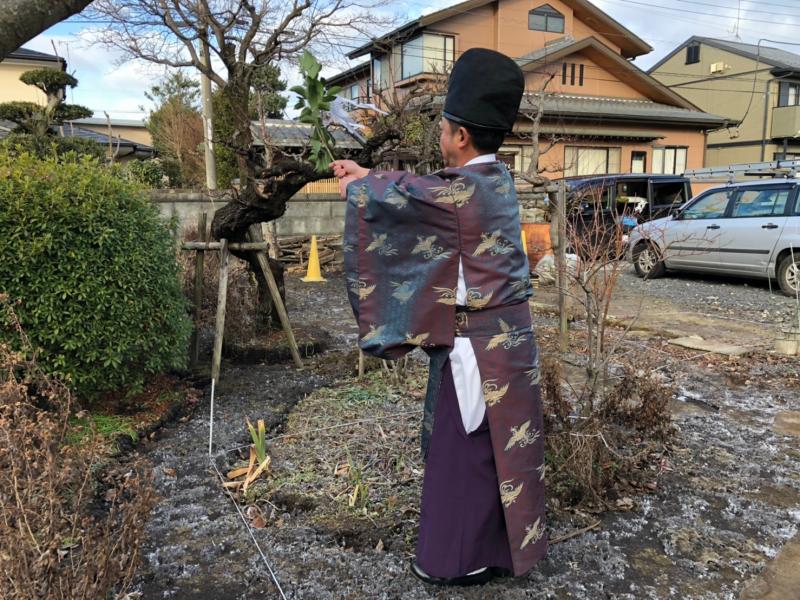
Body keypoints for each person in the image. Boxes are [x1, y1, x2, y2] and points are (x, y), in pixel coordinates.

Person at [330, 47, 546, 587]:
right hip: (506, 343)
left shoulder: (464, 187)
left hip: (480, 350)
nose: (440, 139)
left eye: (445, 130)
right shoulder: (489, 180)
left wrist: (359, 187)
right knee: (500, 450)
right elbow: (421, 191)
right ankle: (500, 552)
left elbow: (409, 196)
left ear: (462, 137)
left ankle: (456, 560)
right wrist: (369, 176)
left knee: (464, 449)